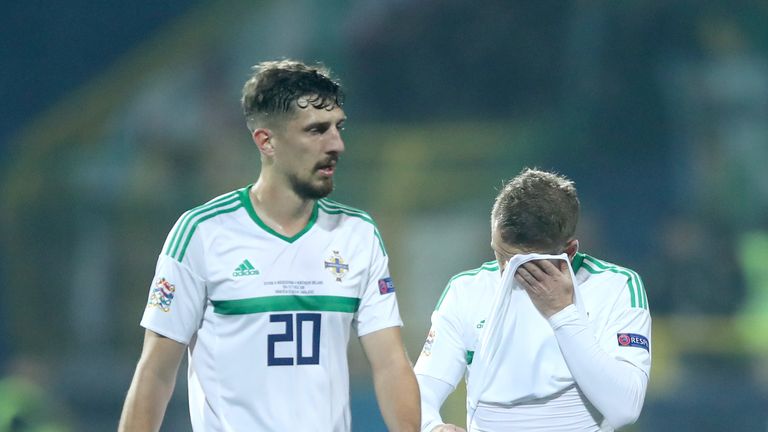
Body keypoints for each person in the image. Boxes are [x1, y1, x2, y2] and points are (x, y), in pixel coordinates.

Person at [119, 60, 420, 431]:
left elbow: (390, 363)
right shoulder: (202, 233)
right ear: (266, 141)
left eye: (338, 128)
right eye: (316, 130)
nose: (337, 144)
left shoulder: (357, 233)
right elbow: (155, 373)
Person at [414, 168, 651, 431]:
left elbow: (625, 407)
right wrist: (433, 427)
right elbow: (421, 391)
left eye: (523, 263)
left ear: (569, 251)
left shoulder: (614, 287)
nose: (506, 271)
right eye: (499, 254)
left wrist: (562, 313)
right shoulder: (466, 290)